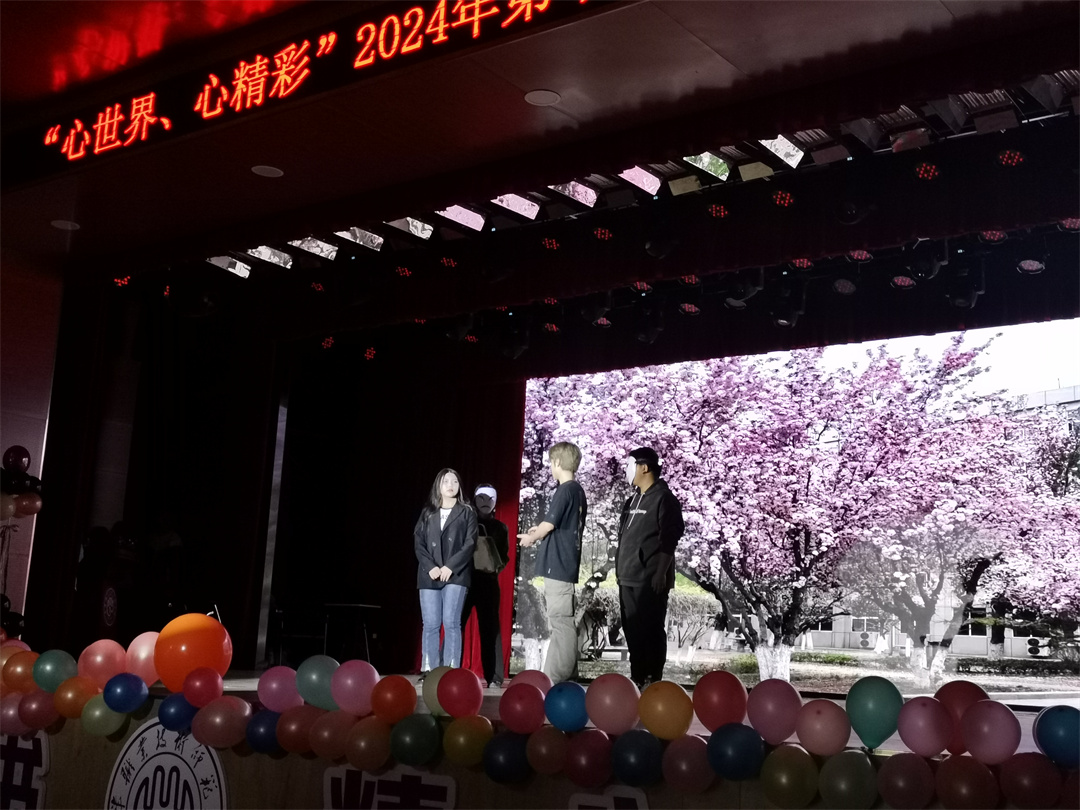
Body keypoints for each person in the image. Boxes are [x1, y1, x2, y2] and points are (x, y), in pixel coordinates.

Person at [615, 447, 684, 689]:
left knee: (651, 630)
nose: (627, 470)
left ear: (644, 467)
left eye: (630, 465)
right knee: (632, 631)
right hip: (627, 577)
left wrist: (660, 572)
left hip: (649, 578)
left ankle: (653, 680)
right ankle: (638, 677)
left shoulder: (665, 499)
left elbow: (670, 538)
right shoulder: (632, 500)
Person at [518, 442, 587, 683]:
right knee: (559, 621)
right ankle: (556, 674)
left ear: (557, 462)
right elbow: (558, 526)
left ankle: (561, 676)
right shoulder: (577, 491)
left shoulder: (565, 490)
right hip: (563, 563)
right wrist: (539, 530)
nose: (550, 467)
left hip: (559, 565)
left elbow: (549, 525)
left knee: (560, 621)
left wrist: (532, 537)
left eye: (551, 462)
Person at [414, 468, 477, 675]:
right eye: (446, 481)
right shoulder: (428, 512)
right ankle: (429, 670)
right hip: (429, 575)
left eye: (455, 482)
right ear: (438, 485)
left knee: (451, 622)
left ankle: (450, 670)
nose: (450, 485)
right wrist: (430, 566)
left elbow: (470, 543)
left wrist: (450, 566)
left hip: (456, 575)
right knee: (431, 624)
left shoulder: (466, 512)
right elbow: (419, 543)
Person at [461, 483, 510, 687]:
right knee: (455, 625)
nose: (485, 502)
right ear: (474, 500)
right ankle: (447, 670)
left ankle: (495, 677)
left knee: (490, 629)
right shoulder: (465, 523)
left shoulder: (500, 528)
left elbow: (503, 557)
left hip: (488, 582)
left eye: (490, 498)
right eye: (481, 497)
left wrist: (491, 565)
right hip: (464, 581)